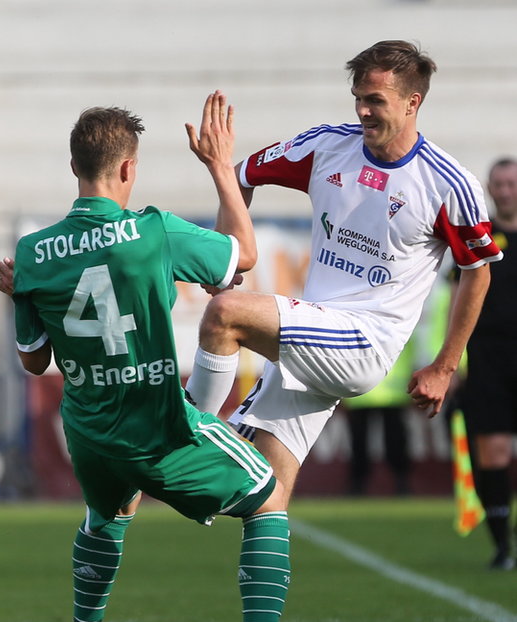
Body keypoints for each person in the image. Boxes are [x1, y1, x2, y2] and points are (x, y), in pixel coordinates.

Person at [0, 93, 325, 622]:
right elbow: (242, 257)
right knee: (266, 497)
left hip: (88, 432)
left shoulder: (34, 254)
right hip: (158, 426)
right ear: (129, 168)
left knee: (107, 515)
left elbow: (35, 362)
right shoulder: (152, 232)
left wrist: (23, 294)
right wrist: (221, 167)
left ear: (73, 168)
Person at [184, 41, 502, 514]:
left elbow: (478, 274)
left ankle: (183, 434)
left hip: (364, 344)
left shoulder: (448, 183)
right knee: (262, 500)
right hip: (313, 336)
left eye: (375, 100)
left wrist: (444, 366)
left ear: (413, 102)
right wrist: (228, 257)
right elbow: (242, 177)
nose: (362, 110)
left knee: (225, 312)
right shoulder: (327, 145)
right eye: (358, 97)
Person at [460, 157, 517, 569]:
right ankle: (501, 546)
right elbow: (454, 299)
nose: (506, 190)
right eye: (499, 184)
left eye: (512, 183)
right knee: (492, 453)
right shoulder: (480, 238)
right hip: (487, 361)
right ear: (489, 188)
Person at [343, 340, 414, 496]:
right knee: (391, 440)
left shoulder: (353, 317)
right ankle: (400, 482)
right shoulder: (398, 317)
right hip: (390, 390)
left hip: (361, 389)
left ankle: (358, 486)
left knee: (362, 442)